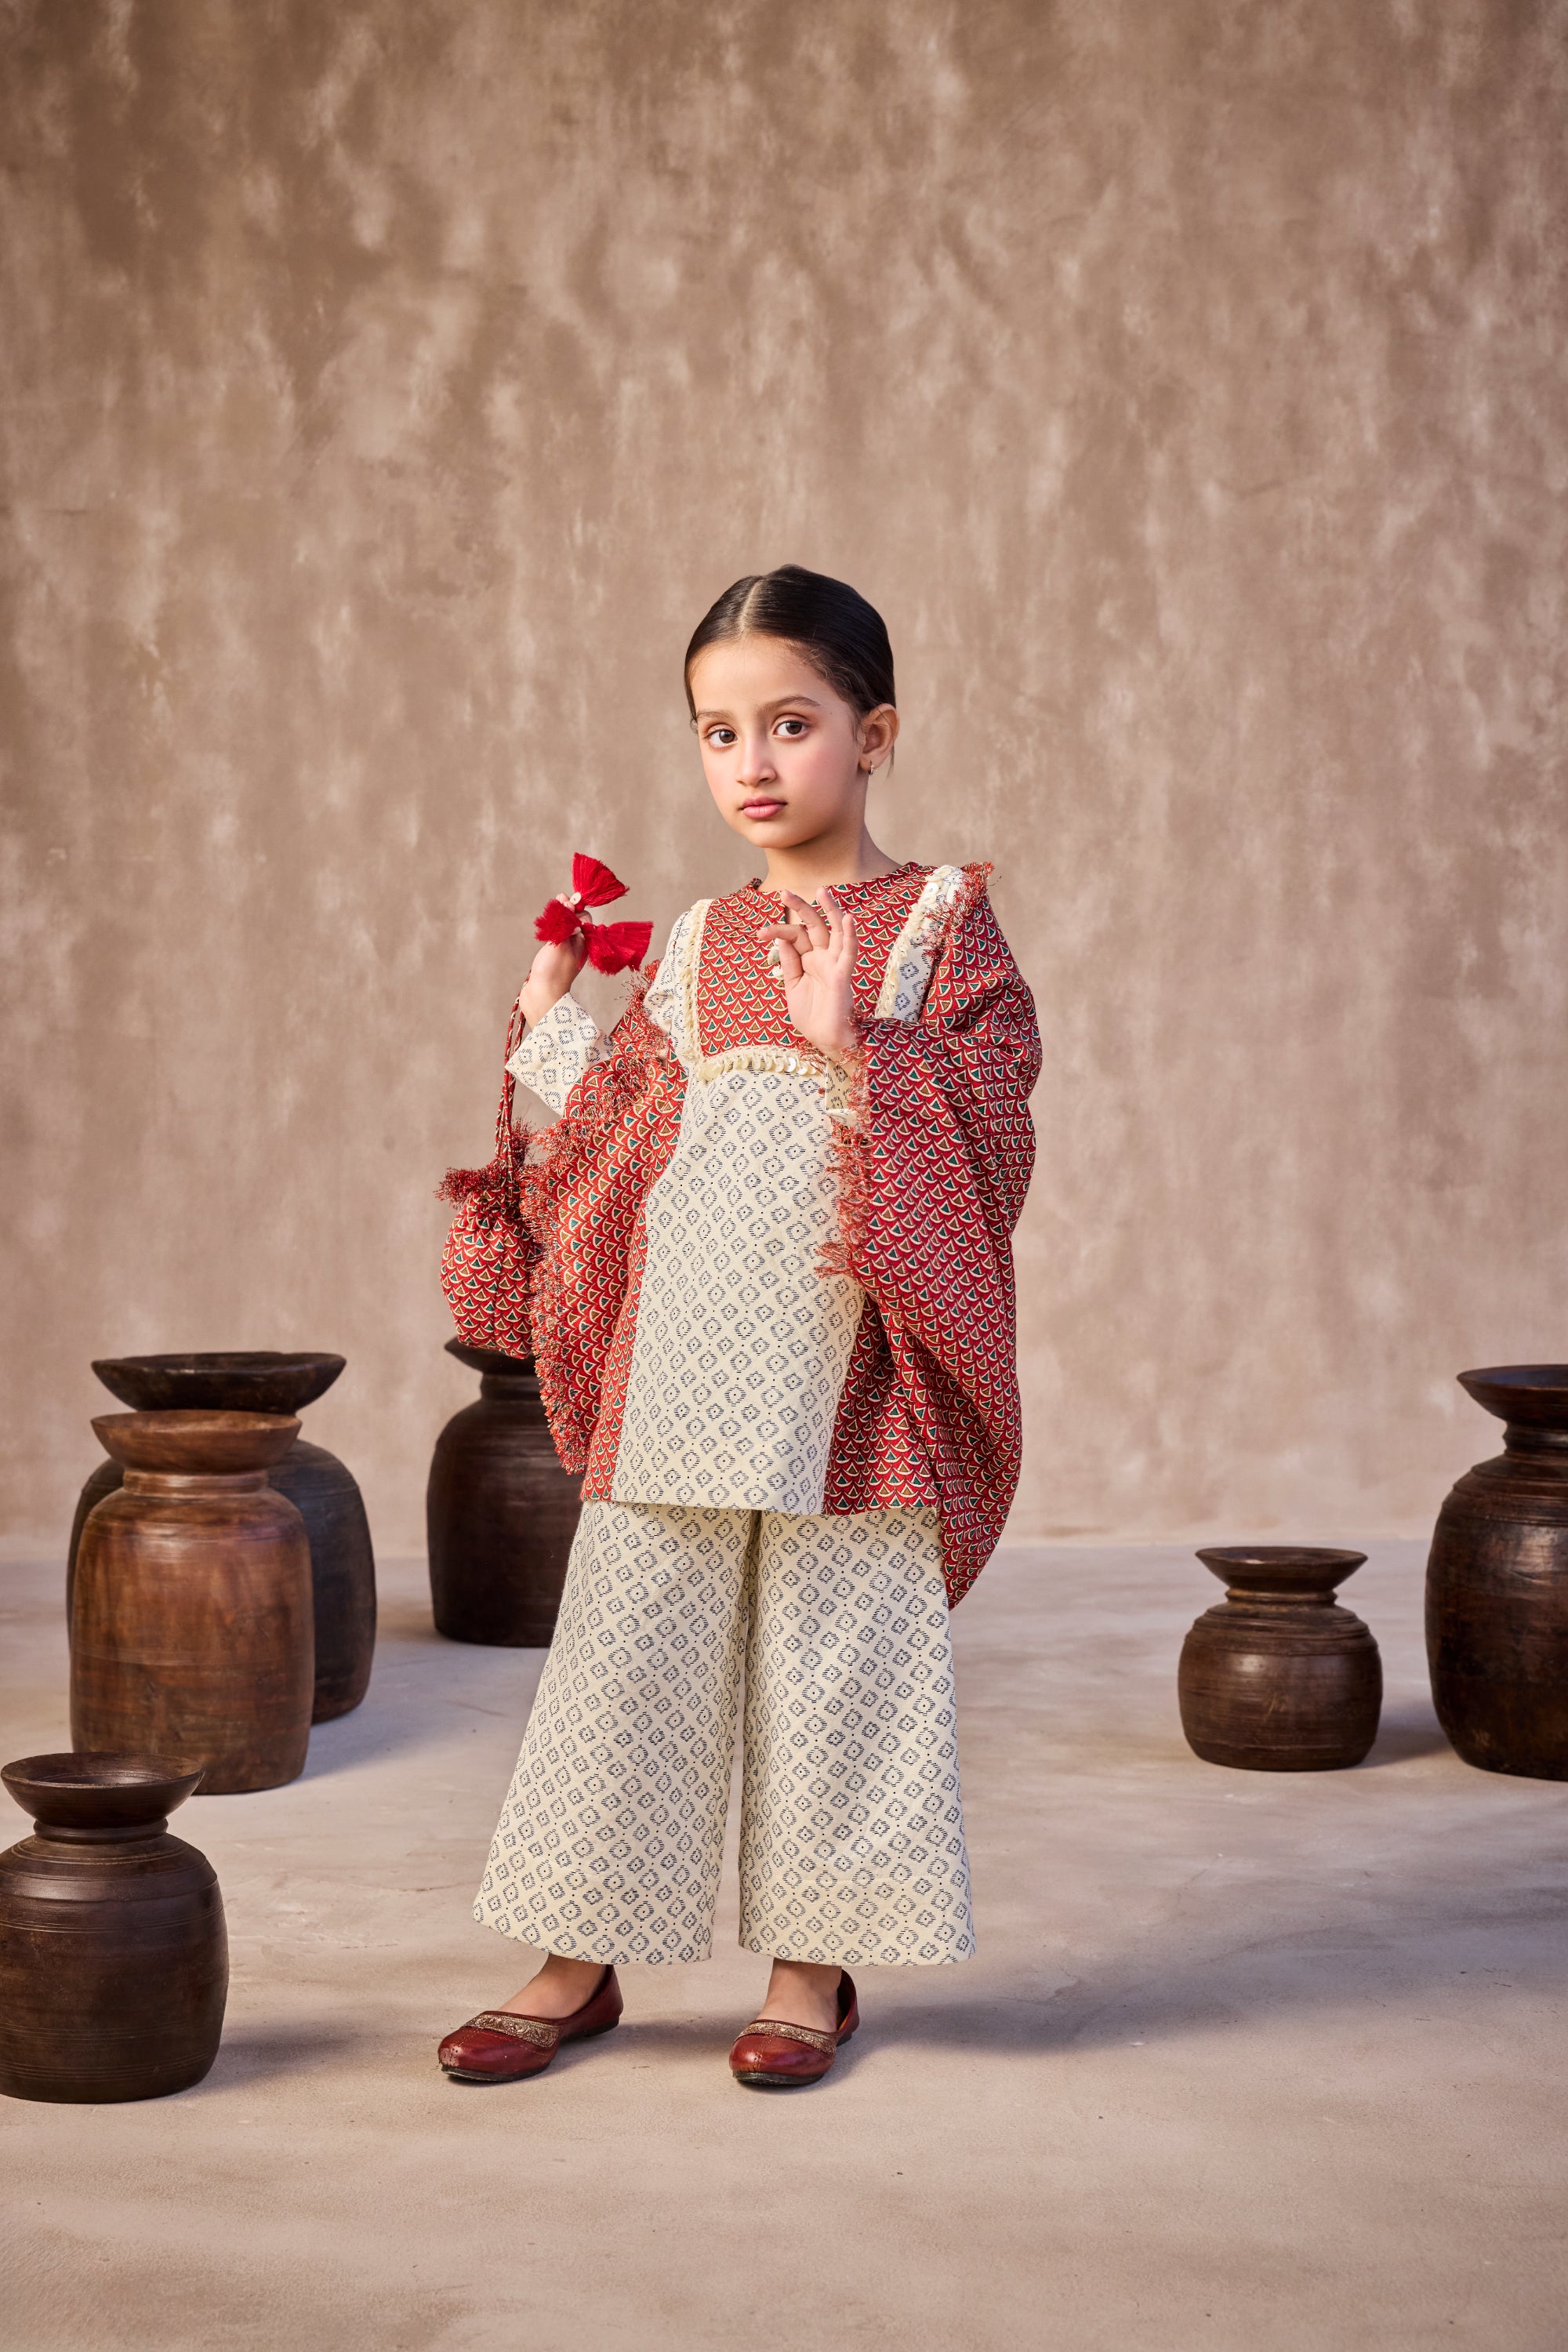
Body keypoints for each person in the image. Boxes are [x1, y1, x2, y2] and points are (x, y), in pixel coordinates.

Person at [437, 564, 1040, 2089]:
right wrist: (550, 1024)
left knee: (843, 1646)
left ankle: (809, 1967)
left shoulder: (939, 924)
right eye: (718, 734)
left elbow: (993, 1121)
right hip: (691, 1344)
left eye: (790, 723)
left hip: (852, 1357)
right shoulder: (700, 938)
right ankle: (578, 1959)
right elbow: (624, 1145)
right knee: (627, 1638)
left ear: (875, 730)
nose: (753, 765)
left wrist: (866, 1048)